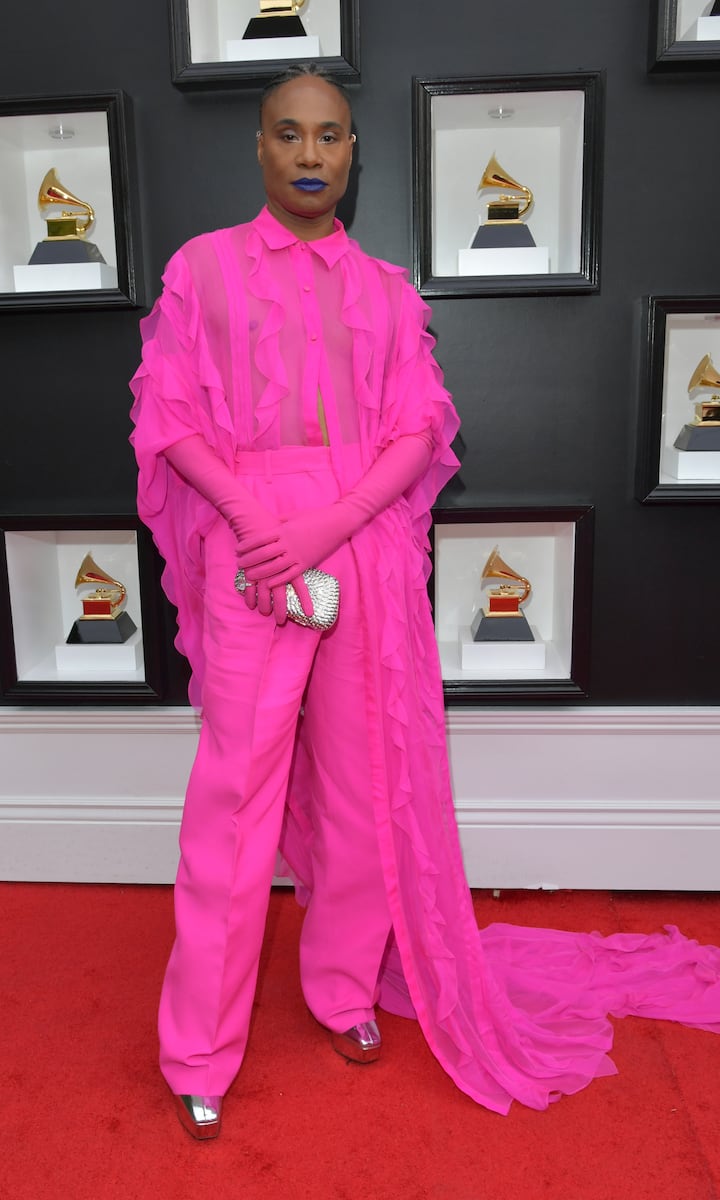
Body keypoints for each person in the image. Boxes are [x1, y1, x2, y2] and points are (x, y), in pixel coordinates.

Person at [130, 64, 720, 1140]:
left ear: (354, 156)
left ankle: (340, 990)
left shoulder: (389, 293)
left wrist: (326, 520)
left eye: (330, 136)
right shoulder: (200, 273)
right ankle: (196, 1048)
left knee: (364, 791)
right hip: (247, 548)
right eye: (288, 134)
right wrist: (259, 522)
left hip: (359, 549)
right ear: (257, 148)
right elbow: (167, 417)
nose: (310, 154)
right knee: (232, 803)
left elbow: (417, 432)